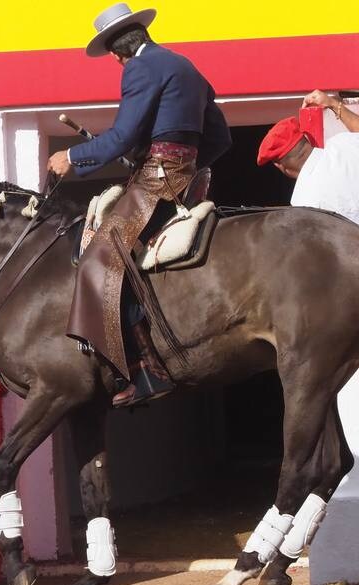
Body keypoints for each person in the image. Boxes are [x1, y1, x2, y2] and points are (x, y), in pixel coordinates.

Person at [46, 3, 232, 407]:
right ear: (141, 34)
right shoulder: (186, 67)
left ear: (116, 53)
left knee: (100, 256)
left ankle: (148, 369)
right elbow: (220, 137)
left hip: (157, 181)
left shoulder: (139, 69)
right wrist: (185, 163)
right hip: (185, 177)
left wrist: (72, 158)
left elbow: (122, 136)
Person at [257, 90, 359, 250]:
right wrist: (332, 103)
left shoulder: (302, 200)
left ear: (280, 166)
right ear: (306, 138)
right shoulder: (346, 143)